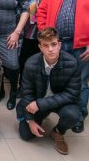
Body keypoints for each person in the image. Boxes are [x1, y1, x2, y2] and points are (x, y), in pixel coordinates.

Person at [37, 0, 89, 133]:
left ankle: (78, 116)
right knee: (48, 77)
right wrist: (45, 34)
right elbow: (42, 10)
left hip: (80, 46)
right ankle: (42, 110)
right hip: (55, 43)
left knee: (80, 82)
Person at [17, 27, 81, 155]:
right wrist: (30, 120)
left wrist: (41, 104)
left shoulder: (72, 63)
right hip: (36, 101)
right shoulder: (31, 64)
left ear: (59, 45)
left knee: (74, 115)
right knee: (26, 135)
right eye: (46, 45)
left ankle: (58, 132)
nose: (50, 49)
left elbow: (73, 94)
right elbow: (27, 93)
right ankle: (35, 116)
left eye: (53, 44)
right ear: (40, 48)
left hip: (56, 102)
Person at [18, 0, 49, 96]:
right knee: (24, 62)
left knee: (42, 64)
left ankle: (39, 91)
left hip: (44, 34)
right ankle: (23, 87)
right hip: (27, 33)